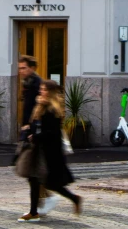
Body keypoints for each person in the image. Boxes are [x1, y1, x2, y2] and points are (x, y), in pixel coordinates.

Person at [18, 80, 82, 223]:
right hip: (38, 149)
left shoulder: (53, 110)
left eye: (45, 89)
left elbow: (52, 133)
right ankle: (33, 212)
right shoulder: (40, 106)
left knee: (51, 184)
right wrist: (29, 131)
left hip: (49, 152)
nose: (42, 91)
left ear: (51, 92)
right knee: (33, 179)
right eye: (41, 89)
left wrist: (36, 136)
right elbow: (36, 125)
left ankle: (74, 198)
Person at [17, 57, 58, 217]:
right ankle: (42, 201)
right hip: (29, 131)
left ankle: (43, 202)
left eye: (24, 68)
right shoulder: (27, 83)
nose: (21, 71)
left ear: (32, 68)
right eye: (20, 68)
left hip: (34, 133)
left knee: (32, 171)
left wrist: (31, 127)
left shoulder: (36, 85)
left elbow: (40, 109)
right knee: (30, 171)